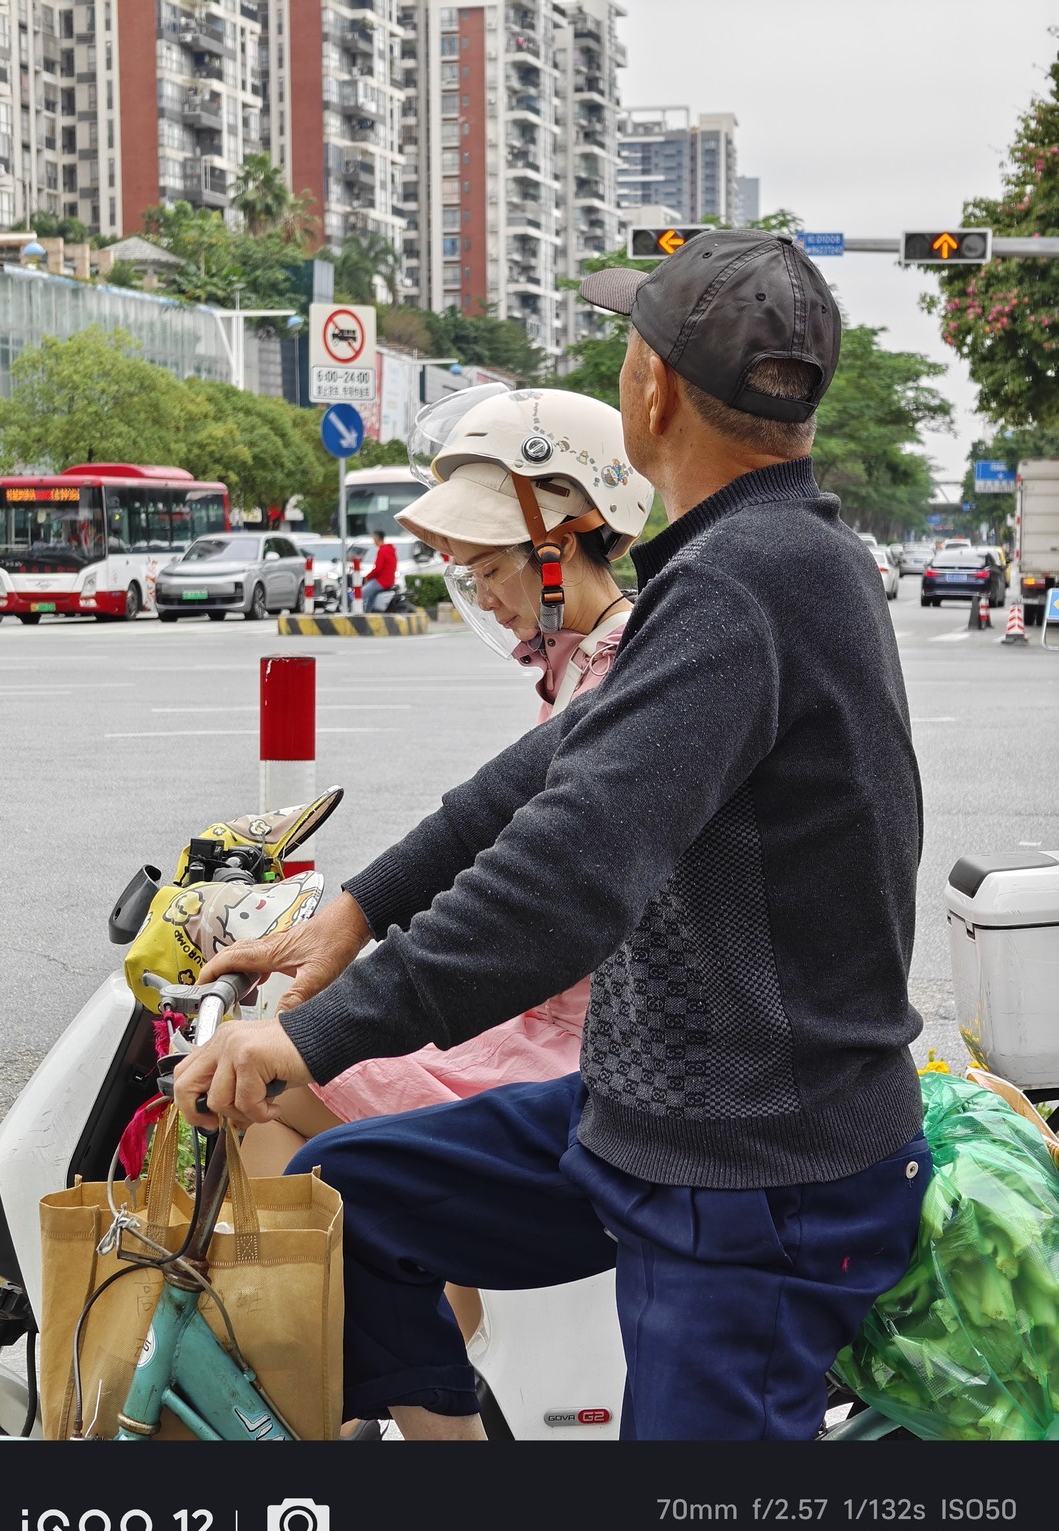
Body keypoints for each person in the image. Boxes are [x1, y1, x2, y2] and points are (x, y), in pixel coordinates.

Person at [174, 228, 934, 1443]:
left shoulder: (742, 586)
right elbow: (525, 781)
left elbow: (563, 874)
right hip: (643, 1116)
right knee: (345, 1204)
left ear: (654, 391)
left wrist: (312, 1036)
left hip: (748, 1174)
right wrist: (351, 914)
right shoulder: (764, 562)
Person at [237, 387, 653, 1193]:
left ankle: (432, 1310)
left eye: (489, 568)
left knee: (279, 1093)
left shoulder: (630, 673)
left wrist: (370, 978)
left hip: (586, 1046)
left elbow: (530, 882)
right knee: (276, 1112)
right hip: (532, 1019)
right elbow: (475, 823)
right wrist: (354, 925)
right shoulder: (570, 663)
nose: (485, 597)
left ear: (559, 551)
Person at [360, 527, 397, 612]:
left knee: (360, 594)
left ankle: (360, 616)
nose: (373, 540)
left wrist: (367, 577)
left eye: (374, 538)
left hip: (382, 581)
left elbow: (378, 569)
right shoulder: (391, 549)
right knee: (371, 598)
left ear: (377, 538)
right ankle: (369, 615)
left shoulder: (382, 551)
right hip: (390, 580)